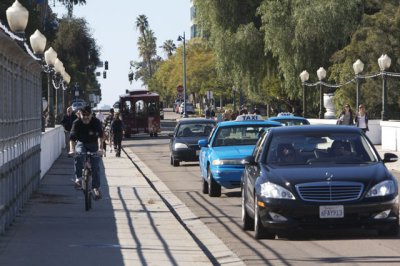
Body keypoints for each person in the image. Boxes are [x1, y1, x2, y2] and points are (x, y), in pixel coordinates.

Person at [69, 105, 104, 200]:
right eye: (83, 114)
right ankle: (79, 179)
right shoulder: (76, 122)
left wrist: (101, 149)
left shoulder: (96, 122)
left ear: (91, 114)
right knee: (78, 155)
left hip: (93, 144)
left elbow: (101, 136)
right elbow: (72, 139)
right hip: (81, 143)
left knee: (96, 165)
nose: (85, 117)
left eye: (87, 115)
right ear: (80, 114)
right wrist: (72, 150)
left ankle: (96, 187)